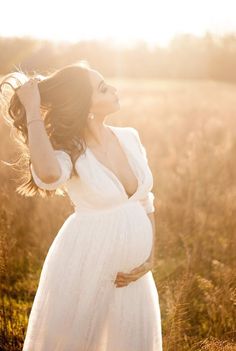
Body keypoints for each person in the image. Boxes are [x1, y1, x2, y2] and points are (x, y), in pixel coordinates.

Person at [0, 61, 163, 350]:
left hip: (134, 278)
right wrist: (34, 111)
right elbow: (49, 175)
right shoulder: (69, 151)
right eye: (102, 88)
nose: (113, 89)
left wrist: (150, 257)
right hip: (89, 263)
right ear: (85, 105)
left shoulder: (130, 136)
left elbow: (145, 201)